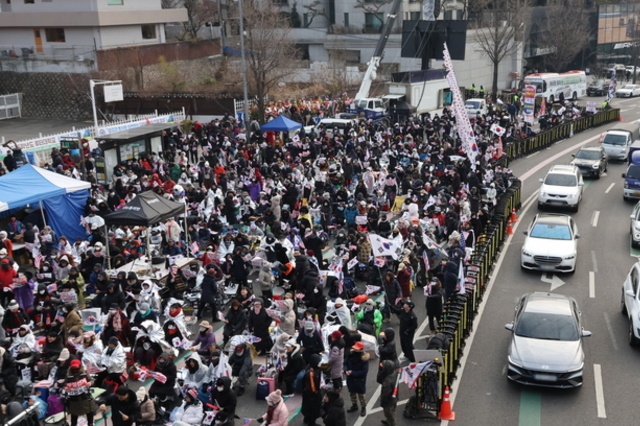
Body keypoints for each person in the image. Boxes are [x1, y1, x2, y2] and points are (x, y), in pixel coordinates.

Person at [63, 359, 98, 426]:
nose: (75, 369)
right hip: (74, 400)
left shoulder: (84, 373)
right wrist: (65, 388)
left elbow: (92, 381)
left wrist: (90, 383)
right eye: (73, 368)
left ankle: (90, 424)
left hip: (85, 398)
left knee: (89, 413)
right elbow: (65, 384)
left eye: (76, 367)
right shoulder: (68, 376)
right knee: (74, 417)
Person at [344, 341, 369, 417]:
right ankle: (354, 405)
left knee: (361, 396)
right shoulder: (350, 354)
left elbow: (364, 371)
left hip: (359, 380)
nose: (354, 349)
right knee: (352, 393)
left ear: (360, 349)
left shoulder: (364, 359)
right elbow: (345, 363)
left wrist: (352, 373)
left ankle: (363, 407)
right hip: (351, 379)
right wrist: (346, 370)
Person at [302, 353, 322, 426]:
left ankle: (306, 419)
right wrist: (316, 393)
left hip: (307, 393)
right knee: (313, 408)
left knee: (307, 407)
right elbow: (312, 386)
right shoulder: (311, 373)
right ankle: (311, 423)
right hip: (311, 395)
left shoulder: (310, 368)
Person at [377, 360, 399, 426]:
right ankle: (389, 421)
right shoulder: (394, 374)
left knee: (389, 414)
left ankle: (391, 423)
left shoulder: (387, 381)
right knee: (392, 412)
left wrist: (383, 402)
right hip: (394, 398)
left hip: (388, 402)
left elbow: (386, 393)